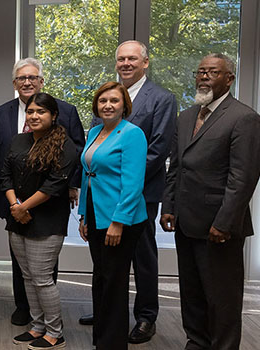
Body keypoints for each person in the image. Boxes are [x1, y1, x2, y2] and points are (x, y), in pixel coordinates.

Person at [79, 41, 177, 345]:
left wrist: (125, 182)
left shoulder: (162, 98)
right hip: (102, 198)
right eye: (121, 58)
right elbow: (92, 160)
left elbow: (158, 149)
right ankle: (109, 311)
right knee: (108, 268)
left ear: (145, 62)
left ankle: (146, 316)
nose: (126, 63)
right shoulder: (102, 113)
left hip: (139, 195)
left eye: (132, 58)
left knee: (142, 257)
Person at [161, 54, 260, 350]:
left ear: (229, 78)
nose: (204, 77)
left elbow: (242, 178)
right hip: (186, 221)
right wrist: (169, 206)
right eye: (200, 71)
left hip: (220, 227)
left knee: (222, 297)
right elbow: (176, 166)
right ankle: (197, 341)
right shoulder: (187, 116)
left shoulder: (244, 118)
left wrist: (224, 222)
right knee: (192, 292)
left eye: (212, 72)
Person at [0, 57, 85, 326]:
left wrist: (72, 186)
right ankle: (25, 309)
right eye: (22, 78)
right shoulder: (1, 112)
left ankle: (48, 318)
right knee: (21, 263)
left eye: (33, 77)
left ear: (42, 81)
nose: (27, 82)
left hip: (49, 200)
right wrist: (9, 201)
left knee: (42, 266)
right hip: (13, 200)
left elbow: (77, 150)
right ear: (14, 83)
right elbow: (0, 158)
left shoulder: (64, 110)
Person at [0, 93, 77, 349]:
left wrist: (23, 207)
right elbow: (5, 174)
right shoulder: (19, 140)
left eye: (41, 112)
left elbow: (55, 184)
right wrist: (14, 205)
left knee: (42, 278)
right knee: (28, 277)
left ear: (53, 116)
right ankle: (37, 327)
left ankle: (56, 333)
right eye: (31, 111)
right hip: (18, 216)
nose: (34, 116)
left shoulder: (65, 145)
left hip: (47, 220)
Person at [78, 82, 148, 349]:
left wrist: (118, 222)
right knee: (101, 277)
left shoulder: (132, 134)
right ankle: (102, 337)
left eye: (114, 101)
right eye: (103, 100)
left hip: (122, 219)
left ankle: (113, 343)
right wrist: (84, 215)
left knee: (115, 281)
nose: (107, 105)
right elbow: (88, 175)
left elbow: (133, 184)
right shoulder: (95, 131)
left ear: (124, 105)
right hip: (96, 215)